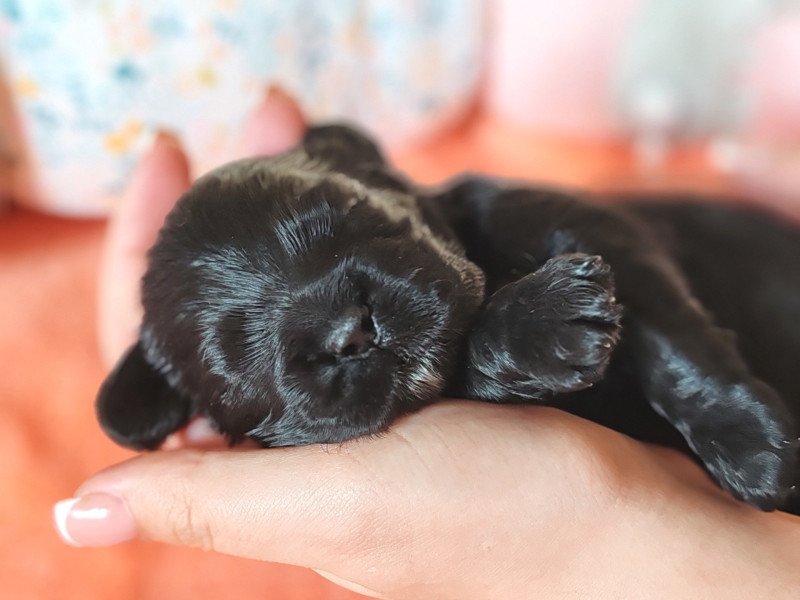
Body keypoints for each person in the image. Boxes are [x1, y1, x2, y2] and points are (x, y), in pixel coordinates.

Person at [51, 92, 800, 599]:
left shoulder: (492, 214)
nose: (346, 325)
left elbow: (616, 266)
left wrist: (710, 401)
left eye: (344, 223)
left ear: (374, 174)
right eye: (242, 347)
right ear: (200, 410)